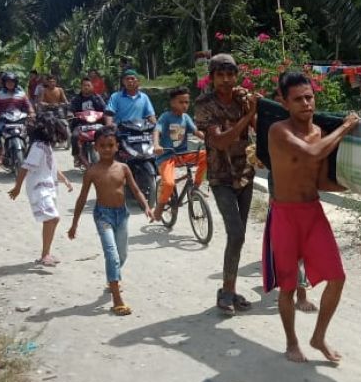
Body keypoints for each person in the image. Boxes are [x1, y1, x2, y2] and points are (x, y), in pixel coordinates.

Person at [265, 71, 360, 363]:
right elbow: (310, 153)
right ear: (283, 102)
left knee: (337, 277)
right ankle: (292, 343)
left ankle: (318, 337)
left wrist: (358, 186)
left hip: (313, 212)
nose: (306, 103)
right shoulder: (279, 131)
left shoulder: (319, 131)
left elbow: (320, 180)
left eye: (309, 97)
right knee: (289, 287)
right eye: (298, 99)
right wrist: (345, 127)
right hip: (285, 215)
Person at [67, 127, 155, 315]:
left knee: (122, 255)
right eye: (102, 146)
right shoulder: (92, 171)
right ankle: (117, 299)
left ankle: (112, 276)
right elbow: (82, 198)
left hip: (121, 215)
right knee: (112, 255)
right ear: (96, 148)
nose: (106, 149)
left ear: (117, 147)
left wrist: (146, 206)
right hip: (103, 216)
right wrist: (74, 224)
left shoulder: (123, 168)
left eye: (110, 145)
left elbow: (136, 189)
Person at [194, 54, 257, 314]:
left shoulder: (243, 99)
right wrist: (248, 115)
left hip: (245, 173)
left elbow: (258, 125)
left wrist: (254, 107)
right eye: (220, 75)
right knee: (236, 233)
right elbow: (219, 141)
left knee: (238, 237)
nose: (226, 80)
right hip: (221, 177)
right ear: (212, 77)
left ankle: (229, 290)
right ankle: (227, 291)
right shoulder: (204, 104)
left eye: (230, 74)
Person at [9, 112, 74, 266]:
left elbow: (52, 167)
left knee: (50, 220)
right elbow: (24, 167)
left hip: (48, 188)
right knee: (53, 218)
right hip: (39, 189)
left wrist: (64, 179)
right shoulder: (38, 147)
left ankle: (45, 254)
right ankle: (45, 255)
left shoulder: (45, 146)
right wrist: (17, 187)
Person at [153, 86, 207, 221]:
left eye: (187, 102)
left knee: (206, 154)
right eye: (181, 102)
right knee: (169, 184)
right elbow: (156, 131)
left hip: (183, 155)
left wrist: (209, 140)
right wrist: (156, 144)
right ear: (172, 103)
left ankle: (196, 186)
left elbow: (196, 132)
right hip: (167, 156)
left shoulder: (186, 117)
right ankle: (159, 208)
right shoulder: (166, 117)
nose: (185, 105)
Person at [0, 72, 34, 166]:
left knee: (33, 129)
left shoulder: (21, 94)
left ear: (15, 82)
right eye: (8, 82)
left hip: (20, 118)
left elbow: (28, 105)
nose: (10, 84)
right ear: (4, 83)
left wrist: (32, 113)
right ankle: (0, 152)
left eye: (12, 82)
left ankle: (33, 151)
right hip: (4, 119)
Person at [70, 75, 108, 167]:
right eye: (84, 85)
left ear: (92, 86)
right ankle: (76, 156)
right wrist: (70, 114)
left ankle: (109, 155)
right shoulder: (76, 99)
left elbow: (105, 109)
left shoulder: (98, 98)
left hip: (97, 123)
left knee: (109, 135)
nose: (86, 87)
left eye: (88, 85)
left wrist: (107, 115)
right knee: (74, 136)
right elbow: (71, 110)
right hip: (81, 124)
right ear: (81, 87)